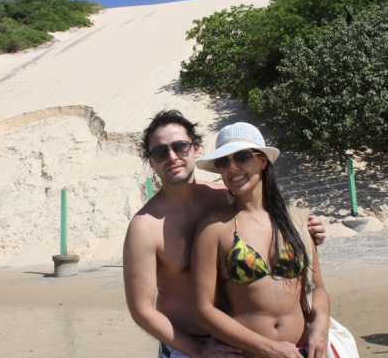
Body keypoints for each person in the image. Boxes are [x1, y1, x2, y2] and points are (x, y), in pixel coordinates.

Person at [123, 110, 327, 358]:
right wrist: (199, 350)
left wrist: (309, 231)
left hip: (241, 340)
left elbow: (266, 215)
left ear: (196, 149)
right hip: (187, 343)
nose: (172, 157)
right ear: (150, 161)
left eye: (180, 146)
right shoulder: (145, 227)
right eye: (160, 152)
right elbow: (142, 310)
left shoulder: (226, 194)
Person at [191, 122, 329, 358]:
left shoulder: (296, 221)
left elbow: (316, 288)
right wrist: (266, 347)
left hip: (303, 351)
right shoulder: (213, 229)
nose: (233, 168)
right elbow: (203, 309)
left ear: (263, 161)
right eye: (224, 161)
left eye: (242, 157)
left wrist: (320, 326)